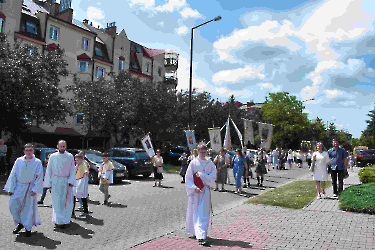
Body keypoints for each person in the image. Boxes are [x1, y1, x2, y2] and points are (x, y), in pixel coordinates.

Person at [3, 143, 43, 237]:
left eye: (31, 150)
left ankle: (28, 228)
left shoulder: (37, 162)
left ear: (33, 151)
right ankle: (20, 223)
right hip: (18, 186)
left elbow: (39, 176)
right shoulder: (19, 160)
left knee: (27, 209)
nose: (29, 152)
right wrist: (10, 188)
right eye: (27, 150)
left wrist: (35, 189)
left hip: (30, 187)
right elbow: (13, 174)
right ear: (24, 151)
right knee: (12, 205)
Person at [185, 143, 216, 246]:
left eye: (204, 151)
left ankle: (202, 235)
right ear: (197, 152)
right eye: (201, 151)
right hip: (196, 192)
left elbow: (213, 176)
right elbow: (188, 177)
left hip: (205, 191)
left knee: (203, 213)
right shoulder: (194, 163)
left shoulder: (210, 163)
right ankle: (195, 231)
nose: (203, 153)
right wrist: (194, 188)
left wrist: (202, 176)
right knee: (194, 212)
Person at [44, 140, 76, 229]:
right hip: (55, 181)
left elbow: (72, 169)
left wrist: (71, 181)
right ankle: (58, 220)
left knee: (66, 201)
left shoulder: (70, 156)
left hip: (66, 182)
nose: (62, 148)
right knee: (57, 201)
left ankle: (65, 220)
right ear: (57, 146)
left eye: (64, 146)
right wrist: (48, 183)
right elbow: (49, 170)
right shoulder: (53, 157)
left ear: (66, 147)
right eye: (60, 146)